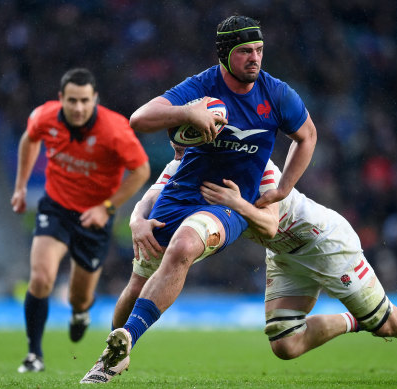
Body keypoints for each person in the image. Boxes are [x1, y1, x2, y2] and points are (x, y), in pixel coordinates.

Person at [105, 152, 397, 383]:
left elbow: (269, 223)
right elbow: (154, 193)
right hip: (284, 255)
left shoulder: (256, 164)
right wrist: (138, 219)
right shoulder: (187, 163)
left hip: (322, 242)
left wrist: (236, 202)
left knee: (388, 324)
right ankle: (354, 319)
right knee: (285, 345)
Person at [80, 14, 317, 383]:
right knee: (138, 284)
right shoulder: (201, 86)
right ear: (225, 54)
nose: (255, 58)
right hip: (181, 194)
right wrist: (187, 111)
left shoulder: (276, 93)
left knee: (184, 246)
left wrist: (283, 188)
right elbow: (140, 118)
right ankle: (113, 351)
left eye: (259, 50)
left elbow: (307, 136)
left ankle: (127, 337)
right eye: (245, 52)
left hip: (227, 202)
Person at [11, 68, 150, 373]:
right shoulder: (44, 116)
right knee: (41, 277)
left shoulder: (114, 129)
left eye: (84, 101)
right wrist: (21, 187)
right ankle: (34, 355)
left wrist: (107, 207)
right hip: (56, 207)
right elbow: (29, 139)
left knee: (79, 297)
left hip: (95, 218)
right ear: (61, 99)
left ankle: (80, 312)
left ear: (94, 99)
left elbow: (141, 170)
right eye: (71, 100)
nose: (77, 107)